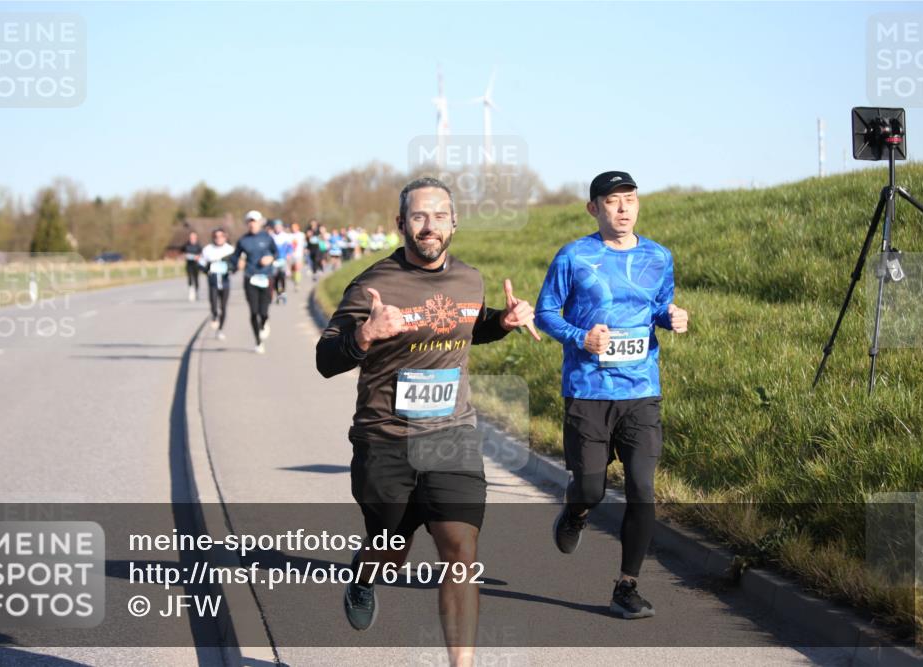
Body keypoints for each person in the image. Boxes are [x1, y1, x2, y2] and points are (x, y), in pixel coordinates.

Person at [316, 176, 538, 667]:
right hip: (385, 438)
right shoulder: (371, 286)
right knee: (391, 551)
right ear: (401, 224)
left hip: (450, 435)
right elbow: (325, 359)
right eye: (418, 216)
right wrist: (365, 335)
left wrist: (501, 323)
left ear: (454, 223)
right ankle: (364, 574)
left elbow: (464, 325)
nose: (429, 225)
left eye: (439, 216)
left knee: (460, 550)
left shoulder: (470, 279)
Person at [534, 171, 688, 620]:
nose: (623, 209)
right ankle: (576, 512)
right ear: (593, 208)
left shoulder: (658, 256)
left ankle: (627, 586)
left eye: (630, 200)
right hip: (587, 389)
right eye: (612, 201)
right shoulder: (574, 256)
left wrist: (671, 317)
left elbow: (657, 306)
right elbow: (546, 313)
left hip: (641, 390)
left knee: (642, 489)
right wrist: (581, 337)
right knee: (590, 488)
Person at [231, 210, 278, 354]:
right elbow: (235, 257)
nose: (252, 224)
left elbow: (276, 252)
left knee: (263, 312)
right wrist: (237, 263)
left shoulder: (267, 237)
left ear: (259, 223)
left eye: (255, 221)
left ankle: (264, 322)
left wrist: (270, 258)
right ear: (247, 223)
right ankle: (258, 341)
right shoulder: (243, 240)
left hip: (266, 277)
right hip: (250, 277)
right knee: (253, 312)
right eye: (250, 221)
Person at [198, 228, 235, 340]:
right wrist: (206, 270)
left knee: (223, 307)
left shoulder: (230, 249)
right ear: (213, 238)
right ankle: (214, 316)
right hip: (213, 281)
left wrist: (231, 269)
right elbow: (201, 263)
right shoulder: (207, 249)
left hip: (225, 281)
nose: (218, 239)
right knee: (214, 304)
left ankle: (220, 330)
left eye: (221, 236)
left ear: (225, 237)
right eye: (216, 237)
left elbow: (235, 264)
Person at [269, 220, 291, 304]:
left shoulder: (285, 236)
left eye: (279, 226)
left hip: (283, 260)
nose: (277, 228)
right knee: (274, 278)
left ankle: (283, 292)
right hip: (274, 260)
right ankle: (278, 293)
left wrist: (288, 254)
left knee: (282, 276)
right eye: (276, 226)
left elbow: (290, 247)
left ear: (282, 227)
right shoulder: (271, 236)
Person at [182, 231, 202, 302]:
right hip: (189, 264)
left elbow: (202, 254)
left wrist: (198, 256)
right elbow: (182, 252)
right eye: (191, 237)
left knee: (196, 278)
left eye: (193, 237)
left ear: (196, 238)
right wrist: (184, 255)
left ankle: (197, 292)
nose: (192, 238)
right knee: (190, 278)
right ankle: (191, 292)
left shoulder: (198, 245)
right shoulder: (186, 245)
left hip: (196, 264)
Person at [289, 222, 306, 292]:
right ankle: (294, 279)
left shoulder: (301, 235)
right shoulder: (289, 235)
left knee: (297, 268)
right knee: (292, 270)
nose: (293, 228)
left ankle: (297, 284)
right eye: (292, 227)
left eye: (295, 227)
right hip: (291, 255)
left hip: (299, 255)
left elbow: (304, 243)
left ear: (298, 227)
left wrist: (304, 250)